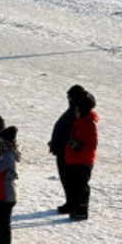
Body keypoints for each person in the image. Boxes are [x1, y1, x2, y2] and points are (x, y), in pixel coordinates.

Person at [48, 86, 87, 214]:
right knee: (66, 179)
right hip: (63, 149)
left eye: (69, 96)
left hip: (68, 151)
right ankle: (70, 202)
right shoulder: (74, 109)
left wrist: (60, 144)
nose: (68, 99)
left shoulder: (78, 111)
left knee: (70, 179)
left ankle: (74, 204)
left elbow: (74, 133)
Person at [62, 92, 98, 220]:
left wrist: (77, 149)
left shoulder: (89, 123)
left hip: (82, 162)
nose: (75, 112)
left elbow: (91, 145)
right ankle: (77, 208)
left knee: (82, 187)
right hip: (75, 160)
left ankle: (82, 210)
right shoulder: (81, 121)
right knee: (76, 186)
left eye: (77, 109)